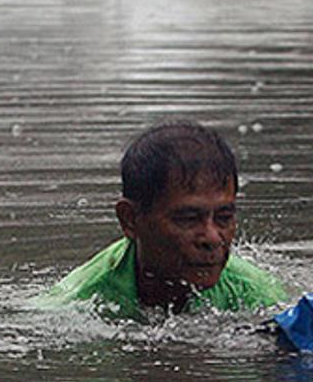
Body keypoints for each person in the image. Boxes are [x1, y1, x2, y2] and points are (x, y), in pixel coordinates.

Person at [37, 120, 288, 320]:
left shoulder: (257, 297)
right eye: (188, 219)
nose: (212, 238)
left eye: (224, 217)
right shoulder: (74, 304)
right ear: (131, 220)